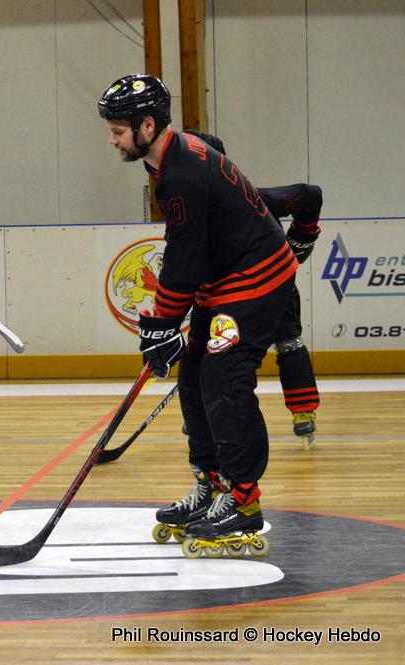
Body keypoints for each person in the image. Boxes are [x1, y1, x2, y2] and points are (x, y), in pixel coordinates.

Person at [99, 74, 297, 556]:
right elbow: (187, 245)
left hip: (255, 280)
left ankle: (243, 501)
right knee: (192, 379)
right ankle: (211, 484)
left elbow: (185, 259)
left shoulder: (180, 175)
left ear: (148, 125)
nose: (112, 139)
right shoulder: (169, 157)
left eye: (118, 130)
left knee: (224, 381)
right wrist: (163, 324)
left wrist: (162, 324)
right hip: (224, 278)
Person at [183, 131, 323, 450]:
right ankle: (206, 414)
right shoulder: (187, 207)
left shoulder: (252, 198)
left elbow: (310, 195)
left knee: (288, 341)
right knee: (210, 352)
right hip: (226, 293)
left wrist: (297, 247)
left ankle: (303, 409)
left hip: (271, 284)